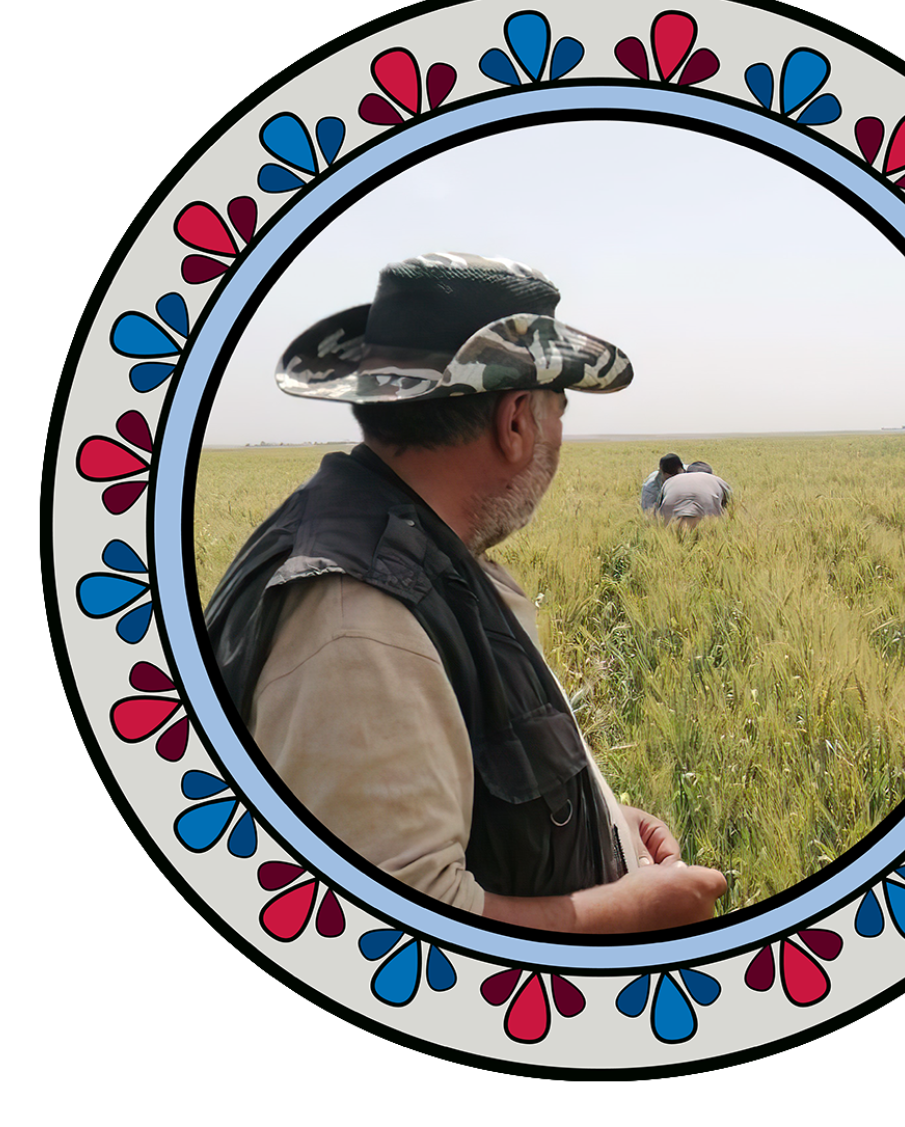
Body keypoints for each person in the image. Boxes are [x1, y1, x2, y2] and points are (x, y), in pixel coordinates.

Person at [205, 252, 726, 933]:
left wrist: (599, 822)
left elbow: (436, 804)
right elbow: (392, 930)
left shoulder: (412, 543)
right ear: (515, 422)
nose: (558, 438)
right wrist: (638, 912)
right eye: (557, 412)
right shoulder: (355, 619)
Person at [658, 463, 732, 526]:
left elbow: (659, 504)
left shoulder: (670, 480)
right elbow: (729, 504)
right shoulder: (717, 480)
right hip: (707, 518)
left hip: (671, 519)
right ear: (710, 474)